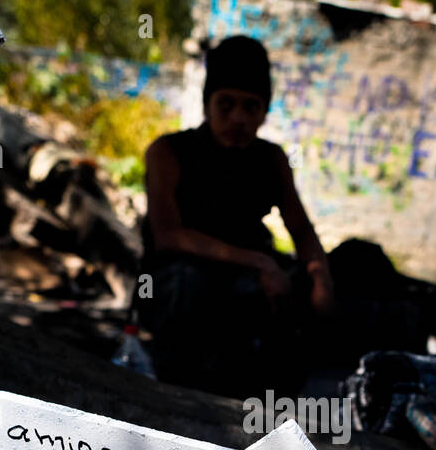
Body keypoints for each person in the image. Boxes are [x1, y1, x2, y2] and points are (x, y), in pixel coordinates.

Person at [138, 36, 335, 398]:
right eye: (226, 105)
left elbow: (301, 229)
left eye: (251, 107)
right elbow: (169, 235)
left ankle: (270, 403)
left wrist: (319, 275)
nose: (238, 119)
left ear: (264, 112)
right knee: (187, 284)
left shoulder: (271, 158)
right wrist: (258, 261)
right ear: (207, 104)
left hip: (248, 278)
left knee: (309, 290)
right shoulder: (168, 151)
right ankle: (179, 394)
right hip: (181, 278)